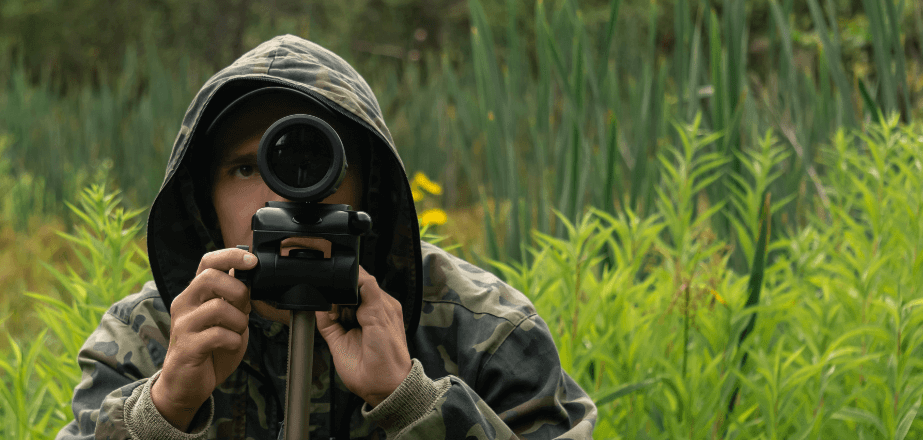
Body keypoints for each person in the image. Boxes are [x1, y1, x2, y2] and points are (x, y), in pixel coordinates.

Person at [56, 34, 597, 440]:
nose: (283, 196)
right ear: (204, 199)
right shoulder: (148, 336)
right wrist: (165, 408)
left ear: (370, 188)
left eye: (317, 163)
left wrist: (411, 401)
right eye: (247, 169)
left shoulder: (480, 330)